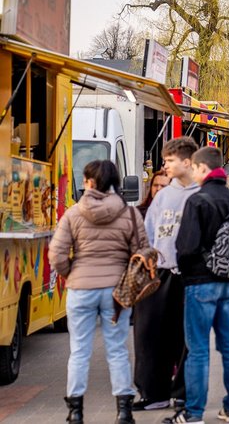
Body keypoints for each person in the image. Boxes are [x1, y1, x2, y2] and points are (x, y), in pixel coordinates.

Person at [49, 159, 149, 424]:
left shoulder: (73, 213)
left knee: (79, 350)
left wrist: (71, 272)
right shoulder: (129, 214)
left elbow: (57, 254)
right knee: (117, 349)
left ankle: (75, 411)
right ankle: (124, 410)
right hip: (117, 290)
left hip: (81, 288)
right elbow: (143, 251)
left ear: (90, 182)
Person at [168, 146, 229, 424]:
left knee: (198, 349)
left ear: (202, 169)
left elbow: (186, 246)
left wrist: (187, 271)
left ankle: (193, 413)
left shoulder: (197, 200)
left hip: (200, 283)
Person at [135, 137, 200, 411]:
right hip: (159, 273)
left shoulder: (200, 194)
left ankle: (183, 392)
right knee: (150, 334)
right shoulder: (162, 196)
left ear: (187, 162)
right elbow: (149, 233)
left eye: (170, 161)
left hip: (190, 275)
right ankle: (154, 392)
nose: (165, 166)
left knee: (186, 337)